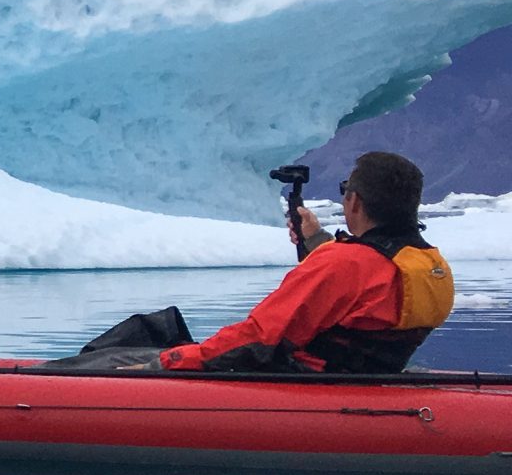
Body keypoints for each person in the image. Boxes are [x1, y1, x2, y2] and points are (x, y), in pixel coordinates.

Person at [158, 151, 454, 373]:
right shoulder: (431, 265)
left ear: (355, 202)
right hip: (370, 377)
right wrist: (315, 239)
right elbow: (365, 288)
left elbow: (260, 337)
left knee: (146, 337)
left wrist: (168, 362)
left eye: (345, 190)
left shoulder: (345, 263)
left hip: (315, 383)